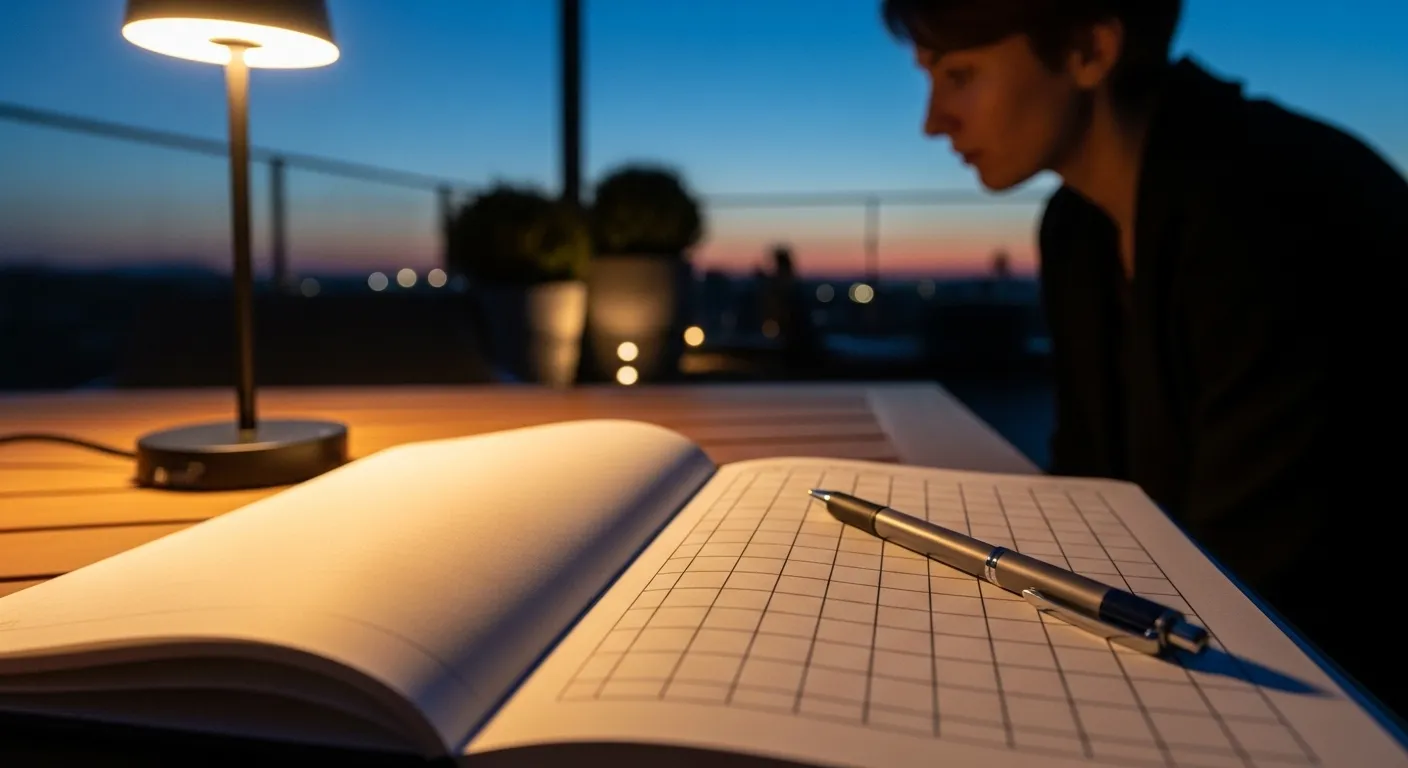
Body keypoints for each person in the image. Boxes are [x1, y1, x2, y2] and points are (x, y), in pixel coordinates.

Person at [880, 0, 1408, 716]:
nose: (933, 121)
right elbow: (1089, 492)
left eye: (961, 74)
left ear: (1090, 49)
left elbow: (1268, 577)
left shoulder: (1275, 205)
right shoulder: (1077, 227)